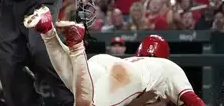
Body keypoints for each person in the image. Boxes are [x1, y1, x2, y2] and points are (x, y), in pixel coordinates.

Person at [24, 6, 206, 106]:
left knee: (73, 82)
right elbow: (192, 100)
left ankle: (47, 30)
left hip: (105, 62)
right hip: (126, 75)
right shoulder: (168, 67)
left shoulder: (137, 60)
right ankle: (77, 45)